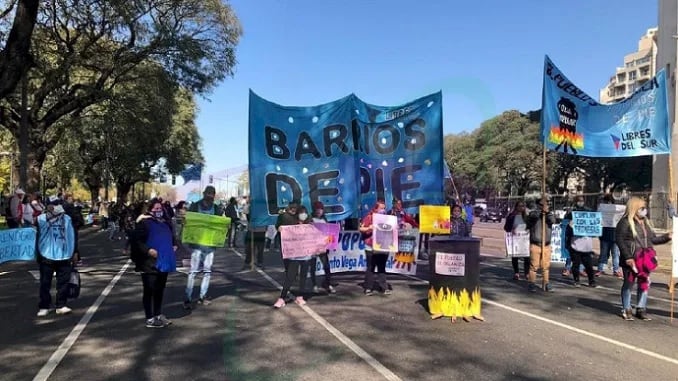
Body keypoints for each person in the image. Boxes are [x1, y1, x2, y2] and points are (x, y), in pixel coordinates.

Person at [616, 197, 671, 321]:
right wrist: (628, 257)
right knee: (628, 284)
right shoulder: (624, 222)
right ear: (634, 208)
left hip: (644, 260)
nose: (644, 210)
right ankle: (626, 308)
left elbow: (653, 239)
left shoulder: (645, 222)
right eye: (642, 208)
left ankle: (641, 308)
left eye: (645, 208)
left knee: (644, 284)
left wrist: (667, 237)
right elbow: (620, 241)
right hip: (631, 260)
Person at [130, 199, 177, 328]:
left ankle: (157, 314)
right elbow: (137, 241)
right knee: (149, 290)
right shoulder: (144, 223)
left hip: (163, 262)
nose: (158, 211)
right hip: (148, 263)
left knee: (159, 290)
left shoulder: (165, 223)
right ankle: (150, 318)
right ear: (150, 210)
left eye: (160, 209)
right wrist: (148, 250)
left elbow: (172, 237)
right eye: (156, 209)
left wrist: (174, 245)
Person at [183, 186, 222, 310]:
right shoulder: (195, 206)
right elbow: (188, 222)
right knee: (193, 272)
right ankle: (187, 298)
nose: (210, 196)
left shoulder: (216, 208)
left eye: (212, 194)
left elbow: (221, 225)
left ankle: (203, 296)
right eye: (208, 193)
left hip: (210, 245)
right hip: (197, 245)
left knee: (207, 272)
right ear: (204, 194)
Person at [36, 204, 76, 317]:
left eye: (57, 204)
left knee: (63, 282)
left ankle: (61, 305)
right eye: (52, 204)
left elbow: (72, 235)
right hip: (46, 254)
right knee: (45, 283)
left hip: (64, 254)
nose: (54, 207)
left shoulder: (67, 219)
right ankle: (44, 306)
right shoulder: (42, 219)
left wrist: (75, 252)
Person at [273, 201, 312, 308]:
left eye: (305, 213)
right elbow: (282, 228)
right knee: (290, 276)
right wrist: (280, 228)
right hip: (295, 254)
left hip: (306, 254)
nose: (303, 215)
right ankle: (282, 298)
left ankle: (300, 296)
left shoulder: (310, 223)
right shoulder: (291, 223)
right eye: (301, 212)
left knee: (303, 276)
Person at [359, 200, 391, 295]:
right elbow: (361, 228)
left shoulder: (387, 219)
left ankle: (384, 287)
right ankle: (368, 288)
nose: (383, 210)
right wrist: (369, 228)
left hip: (383, 246)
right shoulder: (369, 217)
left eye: (384, 208)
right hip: (370, 246)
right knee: (371, 267)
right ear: (376, 208)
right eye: (381, 208)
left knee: (382, 267)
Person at [565, 195, 597, 288]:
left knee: (589, 265)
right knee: (576, 264)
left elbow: (595, 223)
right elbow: (567, 228)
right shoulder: (572, 213)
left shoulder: (589, 212)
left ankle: (592, 281)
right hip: (575, 244)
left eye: (582, 200)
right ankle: (576, 280)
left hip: (586, 245)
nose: (580, 202)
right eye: (579, 200)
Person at [526, 195, 556, 293]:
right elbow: (531, 217)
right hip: (535, 244)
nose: (546, 205)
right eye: (544, 204)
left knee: (545, 266)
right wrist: (540, 212)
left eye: (547, 204)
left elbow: (552, 220)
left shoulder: (550, 214)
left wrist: (546, 213)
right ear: (539, 205)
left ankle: (546, 283)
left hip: (546, 245)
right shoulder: (533, 214)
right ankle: (531, 283)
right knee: (534, 266)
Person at [309, 201, 336, 294]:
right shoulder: (310, 219)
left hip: (323, 248)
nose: (319, 211)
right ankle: (314, 285)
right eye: (317, 209)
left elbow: (329, 232)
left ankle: (328, 284)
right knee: (312, 267)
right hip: (313, 248)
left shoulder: (324, 219)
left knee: (327, 266)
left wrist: (330, 242)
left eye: (321, 209)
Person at [597, 194, 622, 277]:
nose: (608, 203)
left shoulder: (617, 211)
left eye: (609, 201)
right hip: (608, 235)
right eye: (606, 201)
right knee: (611, 254)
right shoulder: (602, 210)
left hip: (610, 236)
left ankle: (612, 269)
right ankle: (605, 269)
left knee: (613, 254)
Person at [504, 200, 529, 280]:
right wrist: (511, 229)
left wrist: (528, 230)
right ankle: (516, 272)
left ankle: (527, 273)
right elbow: (506, 227)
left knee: (527, 256)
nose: (521, 207)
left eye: (523, 206)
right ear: (516, 207)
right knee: (515, 256)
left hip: (525, 239)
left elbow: (530, 226)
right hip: (515, 239)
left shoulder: (526, 217)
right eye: (520, 206)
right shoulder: (511, 216)